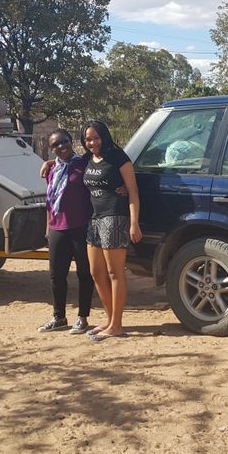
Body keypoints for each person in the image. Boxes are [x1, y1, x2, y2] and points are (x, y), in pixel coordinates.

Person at [81, 120, 142, 342]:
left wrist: (134, 223)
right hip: (95, 220)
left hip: (115, 217)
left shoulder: (118, 158)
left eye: (96, 138)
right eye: (88, 139)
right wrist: (49, 163)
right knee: (96, 272)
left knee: (115, 273)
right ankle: (109, 319)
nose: (92, 142)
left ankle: (117, 325)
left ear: (104, 137)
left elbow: (133, 192)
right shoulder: (89, 159)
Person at [38, 129, 95, 334]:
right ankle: (59, 317)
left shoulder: (83, 165)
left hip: (80, 227)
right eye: (55, 145)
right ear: (51, 149)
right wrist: (48, 229)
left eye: (64, 141)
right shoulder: (53, 170)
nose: (61, 146)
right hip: (57, 228)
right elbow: (50, 200)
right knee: (56, 275)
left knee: (84, 274)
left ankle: (82, 317)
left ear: (71, 141)